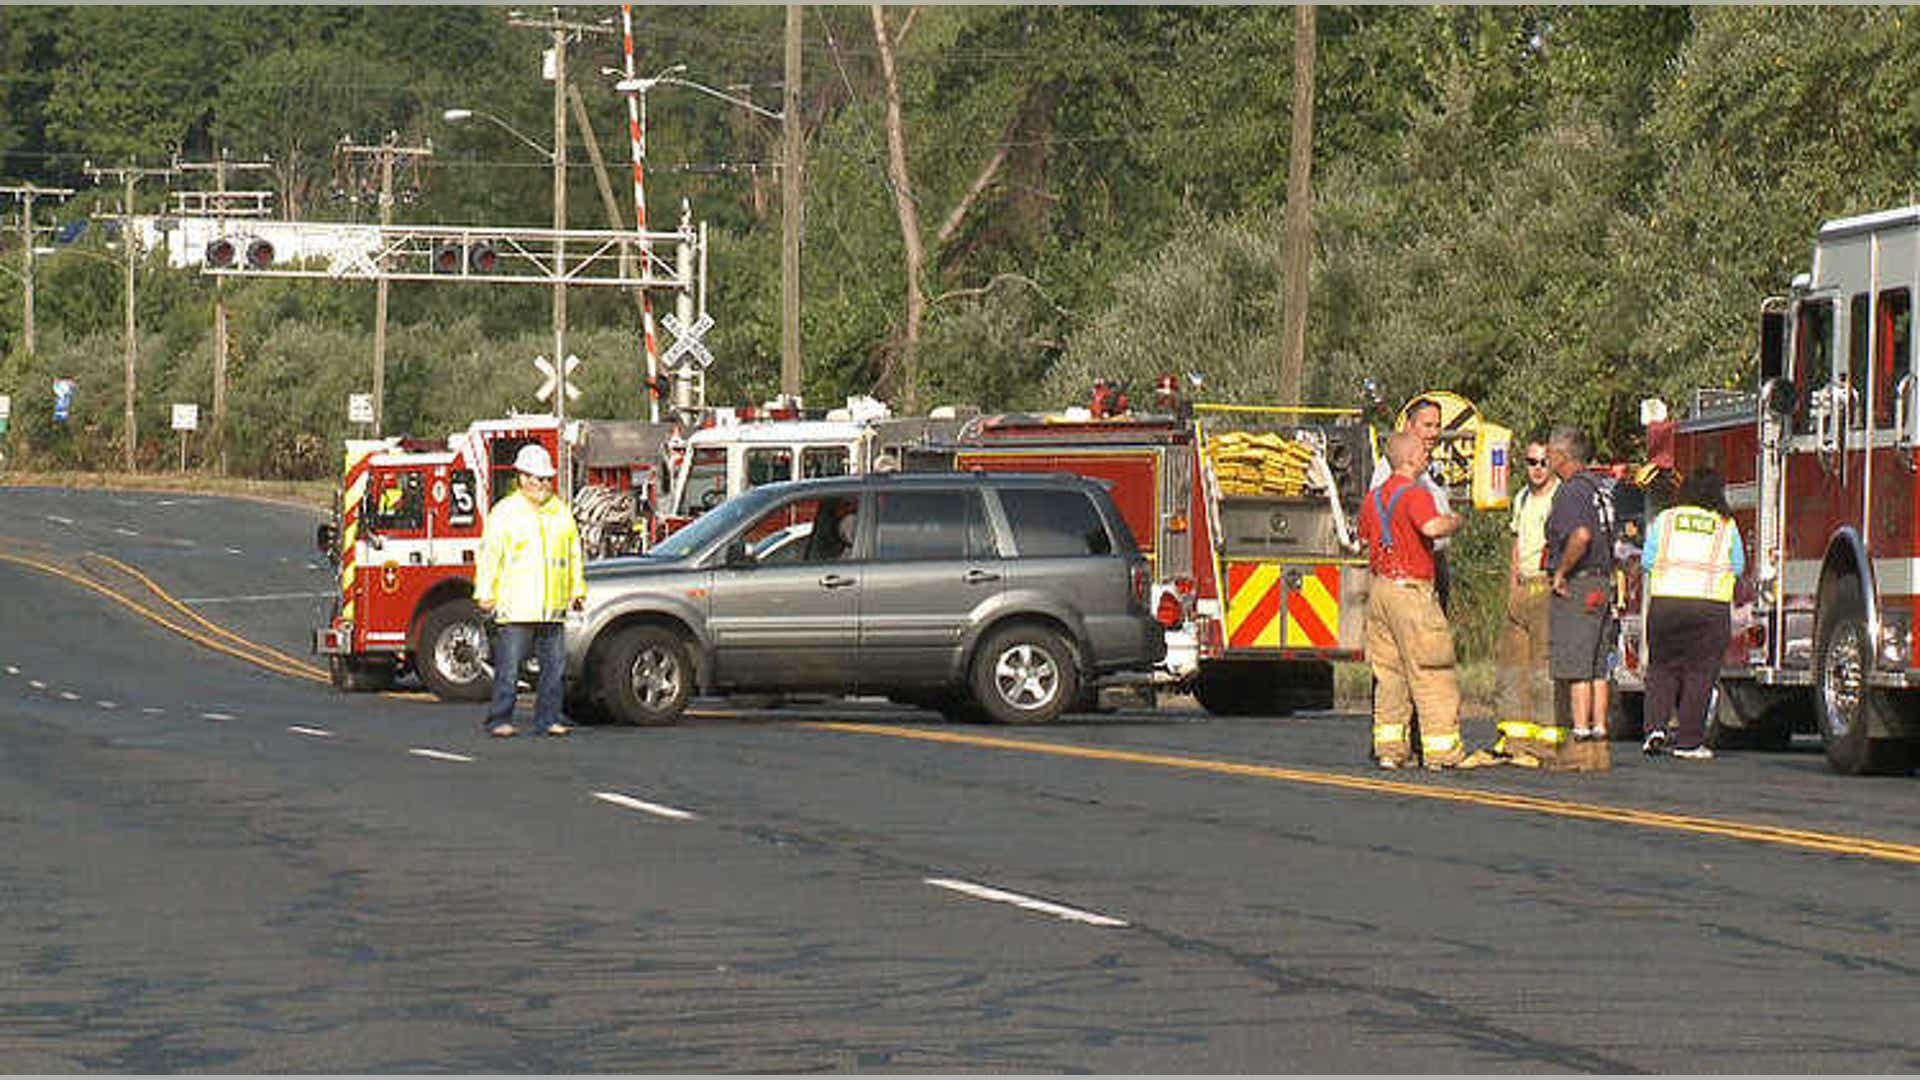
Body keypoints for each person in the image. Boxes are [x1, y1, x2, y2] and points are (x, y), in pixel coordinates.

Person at [1359, 430, 1467, 770]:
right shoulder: (1415, 494)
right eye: (1422, 452)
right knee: (1431, 669)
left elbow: (1363, 541)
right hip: (1411, 591)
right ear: (1408, 458)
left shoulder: (1373, 498)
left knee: (1389, 675)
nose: (1427, 456)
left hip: (1380, 590)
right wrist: (1455, 520)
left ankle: (1390, 750)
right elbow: (1432, 529)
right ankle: (1442, 752)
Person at [474, 443, 586, 738]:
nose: (543, 484)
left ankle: (548, 718)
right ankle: (499, 718)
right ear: (522, 477)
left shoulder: (560, 513)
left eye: (547, 479)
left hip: (553, 606)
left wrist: (578, 589)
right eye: (537, 478)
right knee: (509, 668)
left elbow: (573, 553)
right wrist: (485, 592)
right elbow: (490, 556)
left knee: (554, 669)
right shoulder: (505, 513)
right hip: (516, 606)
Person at [1640, 466, 1744, 760]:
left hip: (1665, 604)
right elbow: (1737, 566)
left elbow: (1648, 561)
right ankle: (1688, 742)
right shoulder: (1726, 525)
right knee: (1700, 673)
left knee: (1662, 669)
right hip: (1709, 607)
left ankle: (1655, 729)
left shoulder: (1665, 519)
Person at [1543, 426, 1615, 742]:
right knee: (1597, 663)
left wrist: (1561, 572)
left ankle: (1580, 729)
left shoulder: (1572, 491)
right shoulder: (1600, 487)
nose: (1546, 458)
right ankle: (1599, 725)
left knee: (1576, 661)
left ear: (1562, 455)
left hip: (1580, 582)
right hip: (1602, 579)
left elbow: (1581, 536)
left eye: (1549, 453)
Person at [1494, 437, 1559, 756]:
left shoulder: (1561, 497)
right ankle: (1515, 737)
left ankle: (1546, 740)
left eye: (1543, 462)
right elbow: (1516, 547)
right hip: (1523, 586)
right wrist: (1511, 587)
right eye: (1531, 462)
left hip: (1547, 586)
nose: (1537, 469)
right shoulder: (1521, 498)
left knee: (1542, 668)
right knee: (1512, 667)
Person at [1372, 398, 1456, 611]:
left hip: (1432, 565)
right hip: (1406, 573)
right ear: (1408, 426)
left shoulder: (1432, 467)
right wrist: (1454, 522)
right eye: (1427, 425)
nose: (1434, 432)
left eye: (1437, 426)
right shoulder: (1391, 469)